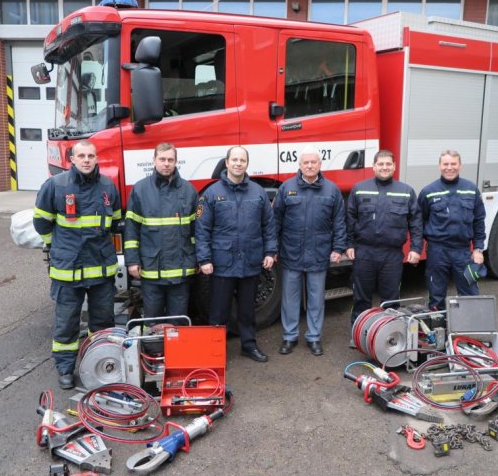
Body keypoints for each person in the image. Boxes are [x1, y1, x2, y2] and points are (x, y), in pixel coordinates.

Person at [33, 140, 122, 389]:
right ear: (71, 159)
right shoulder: (56, 185)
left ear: (96, 158)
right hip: (68, 269)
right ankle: (65, 368)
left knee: (103, 323)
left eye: (90, 156)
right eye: (81, 155)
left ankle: (102, 364)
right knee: (67, 322)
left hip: (100, 269)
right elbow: (41, 221)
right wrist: (56, 245)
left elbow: (115, 220)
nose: (86, 160)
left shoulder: (107, 186)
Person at [195, 146, 277, 362]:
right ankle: (215, 351)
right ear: (227, 162)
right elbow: (202, 229)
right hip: (222, 262)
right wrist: (204, 259)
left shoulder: (258, 192)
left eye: (242, 160)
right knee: (218, 311)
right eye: (235, 160)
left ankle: (249, 345)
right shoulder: (212, 194)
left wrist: (270, 251)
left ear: (246, 164)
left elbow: (269, 225)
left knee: (248, 309)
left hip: (250, 260)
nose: (238, 163)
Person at [273, 147, 346, 356]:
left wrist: (338, 248)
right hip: (290, 253)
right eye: (306, 163)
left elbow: (339, 222)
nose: (310, 166)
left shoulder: (332, 190)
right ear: (299, 165)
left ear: (320, 164)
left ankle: (314, 338)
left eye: (313, 162)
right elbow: (275, 221)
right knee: (290, 299)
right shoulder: (287, 188)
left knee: (316, 300)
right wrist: (273, 249)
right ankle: (289, 337)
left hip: (319, 253)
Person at [346, 150, 422, 333]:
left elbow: (416, 222)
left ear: (394, 167)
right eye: (381, 164)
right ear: (374, 167)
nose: (384, 167)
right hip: (364, 252)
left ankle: (388, 336)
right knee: (361, 299)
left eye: (388, 164)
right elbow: (350, 218)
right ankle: (359, 334)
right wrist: (349, 245)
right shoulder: (359, 188)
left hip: (392, 255)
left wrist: (416, 248)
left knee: (390, 299)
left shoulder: (406, 191)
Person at [124, 143, 198, 328]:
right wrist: (132, 261)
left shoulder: (189, 191)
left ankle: (178, 357)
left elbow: (197, 230)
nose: (166, 164)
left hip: (181, 270)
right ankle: (152, 355)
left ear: (176, 162)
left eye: (170, 160)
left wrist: (198, 259)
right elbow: (132, 229)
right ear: (154, 161)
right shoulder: (140, 190)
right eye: (162, 159)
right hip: (152, 270)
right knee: (152, 323)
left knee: (179, 324)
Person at [418, 149, 486, 311]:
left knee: (469, 293)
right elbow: (419, 222)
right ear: (439, 166)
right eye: (445, 164)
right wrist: (417, 248)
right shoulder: (428, 192)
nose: (449, 168)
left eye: (453, 164)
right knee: (436, 295)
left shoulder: (471, 189)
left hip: (463, 251)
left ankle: (470, 331)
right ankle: (438, 331)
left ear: (460, 165)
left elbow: (479, 220)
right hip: (437, 251)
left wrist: (478, 249)